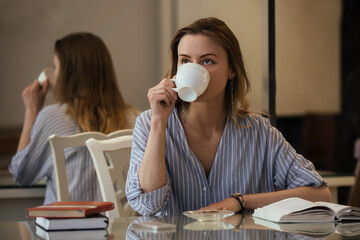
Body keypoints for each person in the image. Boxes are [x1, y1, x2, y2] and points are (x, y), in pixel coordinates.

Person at [125, 17, 331, 216]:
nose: (195, 68)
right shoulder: (149, 123)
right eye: (185, 61)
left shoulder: (259, 132)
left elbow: (320, 195)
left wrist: (241, 202)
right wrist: (159, 122)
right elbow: (147, 205)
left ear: (232, 69)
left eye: (207, 61)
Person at [9, 32, 139, 204]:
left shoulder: (52, 118)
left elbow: (22, 175)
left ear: (67, 74)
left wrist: (32, 110)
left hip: (64, 229)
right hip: (119, 229)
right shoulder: (137, 119)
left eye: (56, 67)